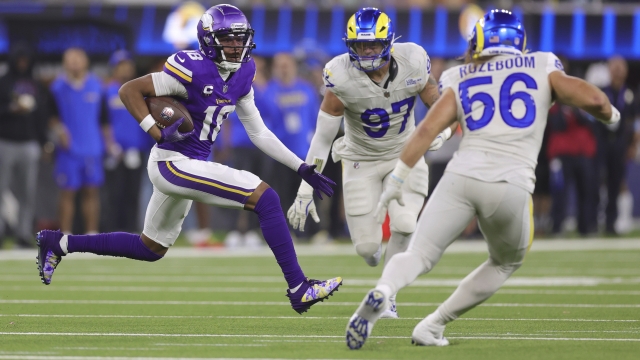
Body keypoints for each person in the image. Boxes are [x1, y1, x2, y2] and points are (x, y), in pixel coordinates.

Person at [36, 4, 342, 315]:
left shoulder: (243, 72)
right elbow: (130, 91)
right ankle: (298, 287)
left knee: (150, 248)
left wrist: (301, 167)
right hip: (172, 162)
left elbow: (259, 131)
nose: (237, 45)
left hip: (186, 164)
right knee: (266, 198)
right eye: (229, 39)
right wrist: (156, 132)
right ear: (209, 40)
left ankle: (58, 244)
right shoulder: (191, 68)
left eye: (241, 39)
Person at [346, 9, 620, 349]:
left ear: (478, 41)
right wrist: (612, 115)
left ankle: (384, 291)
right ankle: (433, 324)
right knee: (506, 261)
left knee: (418, 254)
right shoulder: (540, 63)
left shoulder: (461, 74)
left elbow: (429, 127)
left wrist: (398, 178)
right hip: (509, 183)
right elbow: (595, 100)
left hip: (460, 177)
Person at [287, 7, 453, 318]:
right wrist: (305, 190)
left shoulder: (413, 60)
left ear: (388, 42)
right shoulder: (341, 77)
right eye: (360, 45)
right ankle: (379, 260)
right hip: (360, 160)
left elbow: (440, 100)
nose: (366, 51)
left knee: (405, 224)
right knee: (367, 250)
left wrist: (442, 128)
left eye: (373, 44)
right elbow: (323, 138)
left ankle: (387, 293)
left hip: (406, 154)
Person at [49, 48, 105, 235]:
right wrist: (59, 130)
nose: (74, 63)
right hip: (69, 149)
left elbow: (104, 119)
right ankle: (65, 235)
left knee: (91, 192)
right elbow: (50, 115)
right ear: (64, 63)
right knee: (67, 192)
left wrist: (108, 143)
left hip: (92, 148)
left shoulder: (97, 85)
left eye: (77, 59)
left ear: (86, 62)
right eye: (70, 59)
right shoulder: (57, 88)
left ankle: (92, 234)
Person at [0, 43, 50, 248]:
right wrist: (12, 109)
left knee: (27, 193)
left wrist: (44, 141)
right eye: (19, 60)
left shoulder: (35, 84)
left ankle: (22, 233)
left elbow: (41, 116)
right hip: (5, 142)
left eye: (25, 60)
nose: (22, 63)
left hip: (29, 144)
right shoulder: (3, 82)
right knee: (0, 190)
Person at [101, 50, 155, 233]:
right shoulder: (106, 91)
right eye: (121, 65)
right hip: (113, 150)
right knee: (113, 193)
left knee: (133, 193)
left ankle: (131, 231)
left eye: (128, 65)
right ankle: (112, 230)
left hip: (136, 149)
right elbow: (103, 121)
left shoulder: (140, 90)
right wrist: (109, 144)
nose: (125, 69)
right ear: (114, 69)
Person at [268, 53, 320, 223]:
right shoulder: (269, 92)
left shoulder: (306, 89)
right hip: (281, 152)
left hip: (304, 151)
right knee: (283, 192)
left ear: (294, 67)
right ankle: (288, 230)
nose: (284, 69)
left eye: (286, 65)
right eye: (280, 65)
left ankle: (312, 230)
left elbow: (315, 118)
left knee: (307, 190)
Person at [595, 56, 637, 235]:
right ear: (609, 70)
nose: (618, 71)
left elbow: (634, 122)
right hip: (602, 144)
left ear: (626, 71)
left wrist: (633, 145)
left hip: (619, 145)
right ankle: (591, 222)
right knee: (596, 184)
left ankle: (611, 224)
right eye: (615, 67)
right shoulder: (601, 92)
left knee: (615, 184)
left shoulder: (630, 94)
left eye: (621, 67)